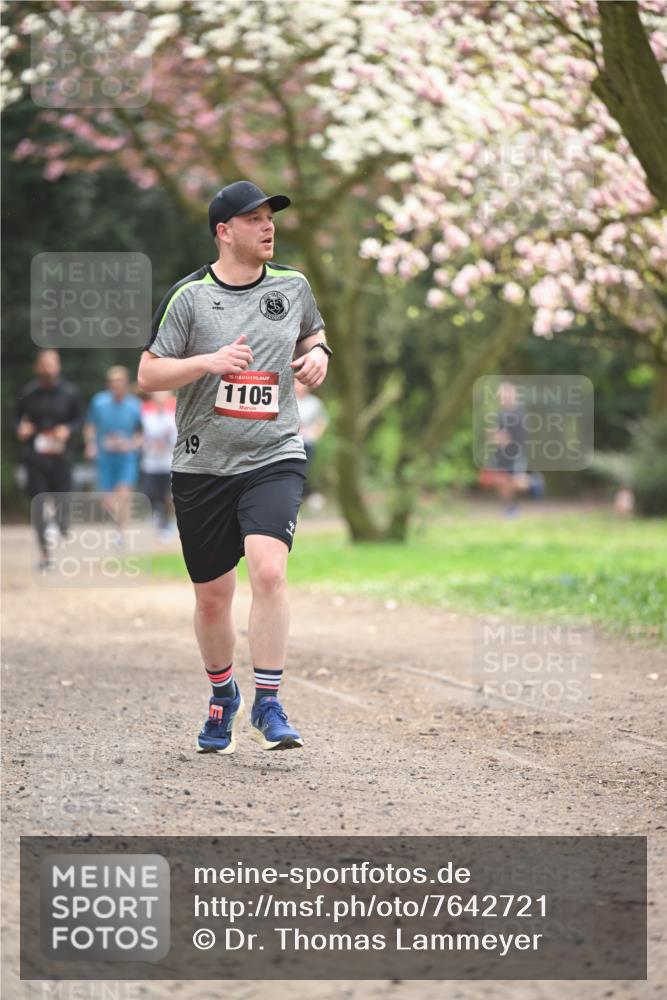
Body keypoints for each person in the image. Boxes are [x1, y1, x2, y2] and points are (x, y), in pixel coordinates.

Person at [137, 180, 331, 754]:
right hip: (201, 467)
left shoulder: (293, 286)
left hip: (274, 454)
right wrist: (208, 362)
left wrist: (319, 353)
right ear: (224, 231)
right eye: (254, 219)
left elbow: (314, 331)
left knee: (268, 571)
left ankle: (269, 702)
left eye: (270, 217)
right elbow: (149, 374)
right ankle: (224, 696)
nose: (268, 226)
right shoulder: (190, 298)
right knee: (213, 597)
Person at [15, 349, 83, 569]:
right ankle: (45, 556)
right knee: (38, 506)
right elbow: (14, 419)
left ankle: (61, 525)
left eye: (51, 365)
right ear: (37, 367)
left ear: (58, 367)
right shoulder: (28, 392)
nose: (47, 369)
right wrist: (20, 428)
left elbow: (80, 420)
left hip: (61, 458)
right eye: (44, 365)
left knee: (63, 504)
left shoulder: (70, 393)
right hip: (35, 459)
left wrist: (68, 430)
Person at [85, 366, 142, 540]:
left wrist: (133, 444)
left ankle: (121, 533)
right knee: (108, 500)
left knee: (124, 495)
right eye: (113, 382)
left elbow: (141, 432)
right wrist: (91, 444)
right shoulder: (99, 402)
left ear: (126, 383)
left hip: (126, 458)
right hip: (105, 458)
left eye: (120, 382)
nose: (117, 385)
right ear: (108, 384)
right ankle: (120, 523)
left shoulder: (135, 405)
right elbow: (90, 425)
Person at [140, 391, 177, 538]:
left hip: (168, 463)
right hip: (150, 463)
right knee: (151, 493)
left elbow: (175, 439)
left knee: (168, 495)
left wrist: (165, 445)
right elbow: (142, 437)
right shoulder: (147, 417)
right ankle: (158, 516)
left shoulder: (172, 417)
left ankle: (167, 522)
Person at [295, 380, 328, 501]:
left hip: (307, 442)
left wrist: (315, 435)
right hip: (289, 442)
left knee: (304, 469)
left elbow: (322, 421)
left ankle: (302, 496)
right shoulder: (288, 400)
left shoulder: (314, 403)